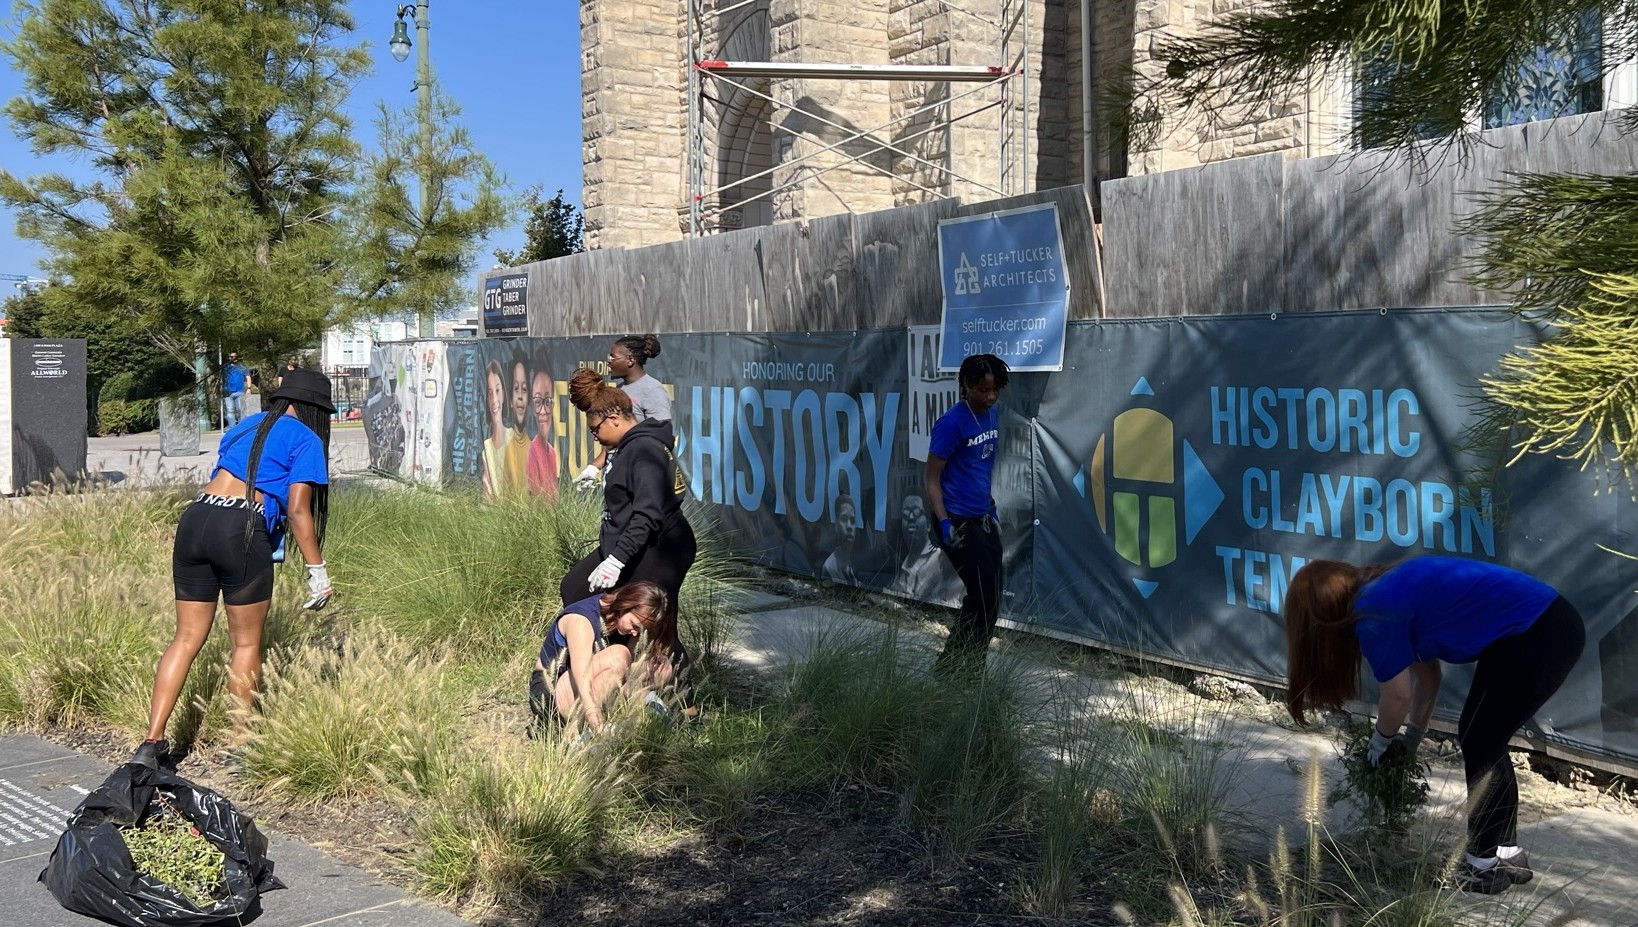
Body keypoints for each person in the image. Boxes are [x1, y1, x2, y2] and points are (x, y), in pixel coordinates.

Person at [1283, 556, 1586, 894]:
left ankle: (1481, 866)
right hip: (1552, 624)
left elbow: (1396, 697)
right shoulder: (1386, 593)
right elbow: (1428, 677)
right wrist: (1412, 737)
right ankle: (1506, 854)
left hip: (1537, 632)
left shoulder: (1373, 614)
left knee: (1481, 739)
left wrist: (1380, 742)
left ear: (1322, 613)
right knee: (1486, 738)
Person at [132, 369, 338, 768]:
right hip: (241, 526)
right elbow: (297, 510)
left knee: (186, 638)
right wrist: (318, 572)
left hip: (196, 518)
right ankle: (239, 745)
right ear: (314, 409)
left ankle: (151, 743)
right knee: (245, 644)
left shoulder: (245, 426)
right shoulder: (306, 439)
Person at [560, 370, 696, 700]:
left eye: (596, 431)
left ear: (614, 417)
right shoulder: (633, 446)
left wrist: (617, 560)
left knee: (656, 625)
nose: (595, 437)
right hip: (638, 544)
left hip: (659, 549)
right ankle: (601, 670)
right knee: (575, 588)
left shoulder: (644, 451)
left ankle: (683, 703)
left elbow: (647, 514)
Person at [923, 353, 1009, 677]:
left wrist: (991, 506)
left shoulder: (992, 415)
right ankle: (966, 670)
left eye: (996, 389)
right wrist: (944, 522)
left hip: (983, 516)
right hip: (954, 517)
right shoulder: (951, 423)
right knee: (983, 593)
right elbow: (931, 478)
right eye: (983, 390)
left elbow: (980, 469)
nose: (990, 396)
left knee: (991, 597)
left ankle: (956, 667)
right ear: (967, 385)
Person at [528, 581, 676, 732]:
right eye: (635, 625)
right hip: (551, 693)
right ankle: (580, 731)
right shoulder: (581, 621)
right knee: (619, 655)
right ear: (625, 606)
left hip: (587, 687)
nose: (636, 633)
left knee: (661, 670)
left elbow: (629, 670)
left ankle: (644, 710)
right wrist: (597, 725)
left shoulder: (625, 623)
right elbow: (583, 681)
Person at [575, 333, 671, 488]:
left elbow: (662, 435)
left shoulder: (653, 390)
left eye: (613, 357)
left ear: (630, 360)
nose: (608, 361)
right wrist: (593, 468)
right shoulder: (619, 391)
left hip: (640, 476)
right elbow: (616, 442)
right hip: (617, 474)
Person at [886, 493, 962, 606]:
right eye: (906, 514)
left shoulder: (942, 559)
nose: (911, 518)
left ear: (928, 525)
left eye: (916, 512)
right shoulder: (900, 564)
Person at [526, 345, 561, 497]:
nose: (543, 411)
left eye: (547, 401)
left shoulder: (552, 452)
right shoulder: (531, 451)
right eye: (537, 401)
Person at [222, 351, 249, 428]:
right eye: (231, 356)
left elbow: (248, 377)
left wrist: (249, 388)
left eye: (234, 356)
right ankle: (232, 427)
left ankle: (241, 426)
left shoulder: (242, 367)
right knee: (230, 411)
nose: (233, 358)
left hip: (239, 391)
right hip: (228, 392)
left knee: (240, 410)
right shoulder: (225, 367)